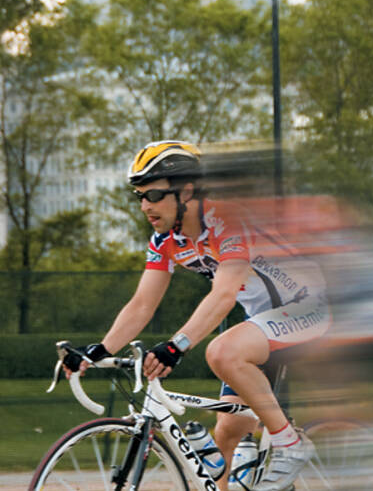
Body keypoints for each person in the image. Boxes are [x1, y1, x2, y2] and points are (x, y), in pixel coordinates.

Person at [63, 140, 330, 491]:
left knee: (221, 352)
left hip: (306, 307)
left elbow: (223, 292)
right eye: (140, 196)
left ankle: (290, 445)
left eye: (154, 195)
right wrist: (100, 349)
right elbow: (143, 303)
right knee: (226, 438)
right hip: (263, 321)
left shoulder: (226, 222)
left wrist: (175, 347)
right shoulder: (165, 240)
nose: (145, 205)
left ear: (186, 190)